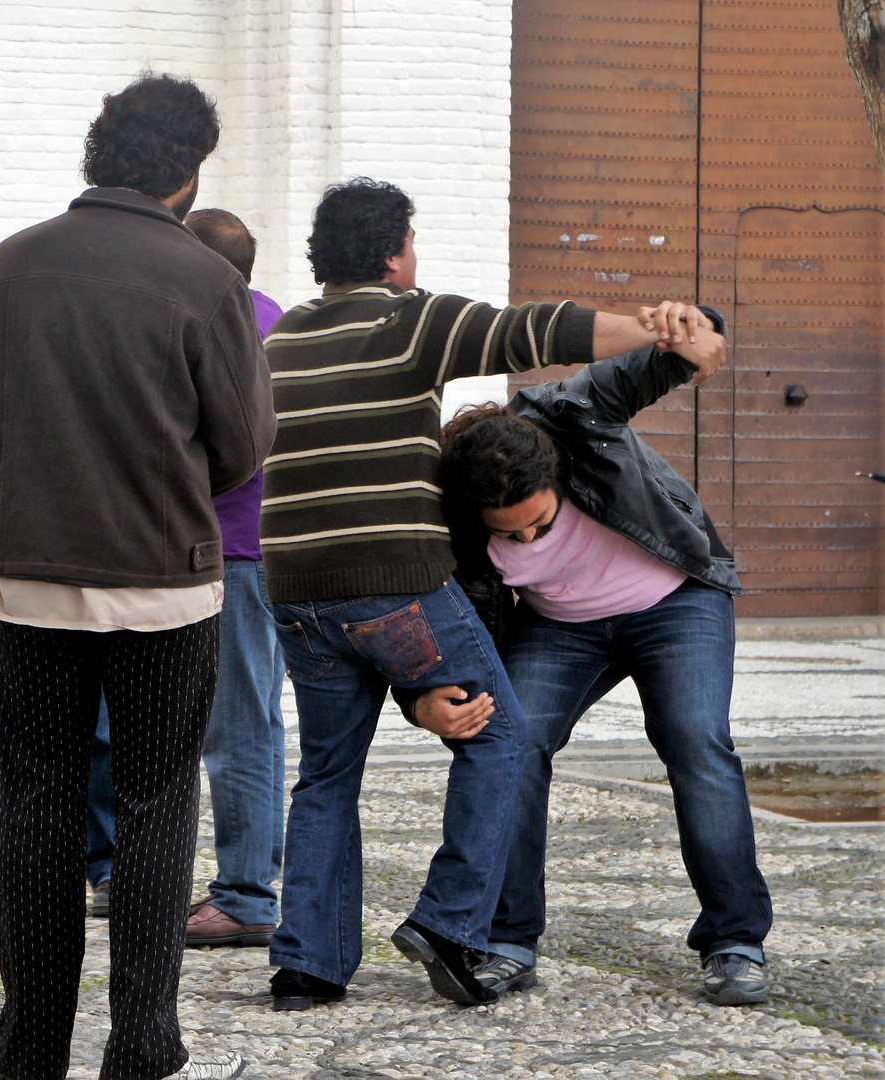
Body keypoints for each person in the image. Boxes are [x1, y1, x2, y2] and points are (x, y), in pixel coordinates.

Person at [259, 177, 725, 1010]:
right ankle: (451, 924)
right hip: (394, 585)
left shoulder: (278, 343)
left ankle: (307, 965)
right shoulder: (409, 320)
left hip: (294, 592)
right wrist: (657, 326)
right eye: (414, 243)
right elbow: (532, 331)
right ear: (398, 249)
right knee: (505, 738)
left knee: (325, 774)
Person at [0, 75, 274, 1080]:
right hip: (163, 579)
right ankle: (140, 1043)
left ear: (96, 153)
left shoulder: (12, 265)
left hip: (32, 579)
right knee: (153, 801)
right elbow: (241, 445)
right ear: (186, 173)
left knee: (39, 799)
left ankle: (29, 1046)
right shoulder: (204, 280)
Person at [407, 327, 772, 1007]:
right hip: (561, 627)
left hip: (675, 600)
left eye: (539, 525)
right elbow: (440, 618)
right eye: (507, 534)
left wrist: (694, 335)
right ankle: (510, 941)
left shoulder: (573, 413)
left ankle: (735, 942)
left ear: (554, 477)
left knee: (696, 740)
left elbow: (656, 361)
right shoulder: (454, 512)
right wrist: (425, 698)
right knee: (509, 741)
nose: (525, 539)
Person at [0, 402, 118, 915]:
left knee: (96, 730)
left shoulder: (84, 383)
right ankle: (2, 864)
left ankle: (105, 864)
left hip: (82, 581)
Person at [180, 209, 288, 949]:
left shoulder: (221, 322)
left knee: (239, 726)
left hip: (235, 551)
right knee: (233, 719)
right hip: (239, 549)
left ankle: (247, 894)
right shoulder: (270, 317)